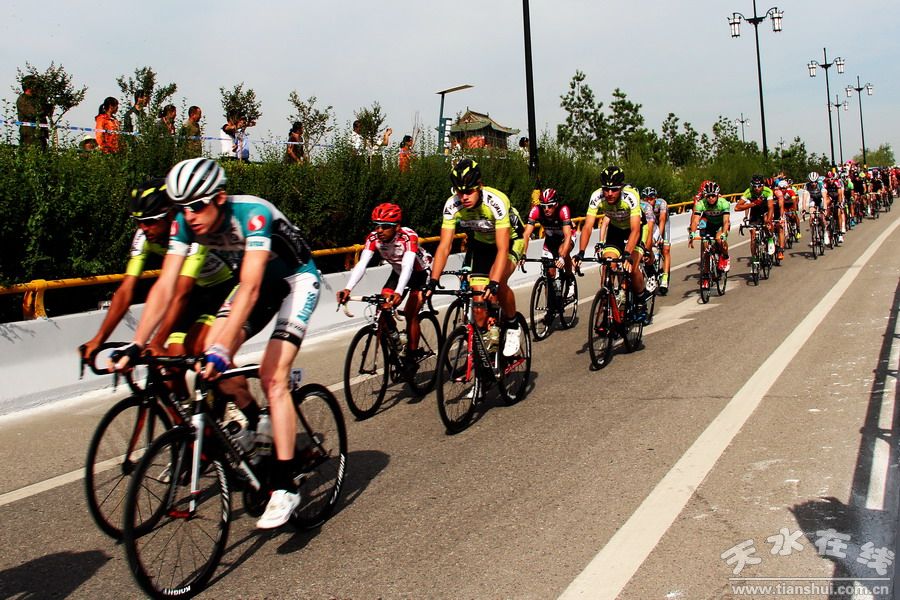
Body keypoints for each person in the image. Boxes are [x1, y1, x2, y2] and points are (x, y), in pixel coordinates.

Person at [113, 158, 321, 530]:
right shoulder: (183, 223)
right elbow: (165, 286)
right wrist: (137, 343)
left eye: (197, 206)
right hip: (255, 286)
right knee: (206, 351)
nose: (189, 216)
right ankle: (251, 426)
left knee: (272, 375)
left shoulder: (253, 214)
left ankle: (285, 485)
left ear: (219, 198)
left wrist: (224, 350)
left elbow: (251, 286)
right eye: (182, 207)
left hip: (295, 281)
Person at [81, 177, 236, 363]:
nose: (143, 228)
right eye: (138, 221)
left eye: (150, 221)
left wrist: (157, 341)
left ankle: (230, 377)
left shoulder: (193, 232)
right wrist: (98, 339)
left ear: (171, 215)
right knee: (174, 357)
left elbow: (182, 290)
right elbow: (125, 290)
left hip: (223, 288)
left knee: (198, 347)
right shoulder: (143, 237)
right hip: (197, 292)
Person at [425, 158, 525, 358]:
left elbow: (502, 248)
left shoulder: (496, 201)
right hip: (482, 244)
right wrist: (433, 280)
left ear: (480, 186)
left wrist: (494, 282)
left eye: (469, 191)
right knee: (478, 305)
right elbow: (444, 246)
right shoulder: (452, 205)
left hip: (510, 241)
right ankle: (488, 357)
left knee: (499, 283)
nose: (464, 197)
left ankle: (513, 325)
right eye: (459, 192)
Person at [336, 203, 433, 365]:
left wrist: (399, 292)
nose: (379, 230)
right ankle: (397, 342)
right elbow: (362, 264)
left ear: (397, 227)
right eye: (377, 225)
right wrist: (348, 288)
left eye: (385, 226)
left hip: (420, 273)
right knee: (382, 308)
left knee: (410, 313)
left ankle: (412, 354)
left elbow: (408, 266)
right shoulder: (373, 238)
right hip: (397, 272)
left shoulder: (408, 237)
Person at [573, 165, 651, 322]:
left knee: (632, 267)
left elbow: (636, 229)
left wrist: (627, 254)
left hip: (635, 230)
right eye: (606, 189)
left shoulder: (631, 196)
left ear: (621, 187)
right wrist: (581, 252)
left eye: (614, 190)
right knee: (608, 263)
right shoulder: (596, 196)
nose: (609, 193)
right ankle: (608, 301)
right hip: (616, 230)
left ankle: (641, 300)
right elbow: (587, 226)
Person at [520, 188, 575, 284]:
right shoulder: (536, 210)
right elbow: (526, 234)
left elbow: (567, 235)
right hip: (550, 240)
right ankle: (551, 291)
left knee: (562, 251)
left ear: (556, 204)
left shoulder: (563, 210)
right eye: (543, 206)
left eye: (550, 206)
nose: (546, 209)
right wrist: (523, 254)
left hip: (566, 238)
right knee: (549, 274)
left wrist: (562, 257)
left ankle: (570, 279)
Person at [688, 181, 732, 281]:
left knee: (719, 239)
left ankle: (725, 256)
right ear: (705, 196)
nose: (711, 198)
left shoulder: (724, 203)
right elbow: (695, 221)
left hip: (721, 224)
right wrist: (692, 233)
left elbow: (726, 221)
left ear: (717, 195)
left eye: (713, 196)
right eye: (708, 196)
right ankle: (706, 272)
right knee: (705, 246)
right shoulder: (701, 204)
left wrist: (724, 234)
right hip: (710, 224)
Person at [734, 174, 775, 265]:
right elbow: (737, 207)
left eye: (759, 186)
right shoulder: (748, 192)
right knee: (753, 235)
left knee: (767, 223)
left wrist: (768, 220)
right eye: (755, 186)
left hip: (765, 210)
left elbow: (770, 208)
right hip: (755, 211)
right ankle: (754, 257)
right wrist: (752, 204)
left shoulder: (767, 191)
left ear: (763, 185)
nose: (757, 188)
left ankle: (770, 238)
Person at [641, 187, 671, 295]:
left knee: (666, 249)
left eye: (651, 198)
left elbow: (662, 220)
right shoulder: (642, 206)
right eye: (646, 199)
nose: (649, 201)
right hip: (651, 226)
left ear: (656, 198)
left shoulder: (661, 203)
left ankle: (665, 278)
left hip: (663, 224)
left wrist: (660, 237)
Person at [16, 75, 49, 149]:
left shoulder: (36, 99)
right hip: (29, 135)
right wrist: (46, 109)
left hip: (40, 134)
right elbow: (33, 114)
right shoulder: (23, 99)